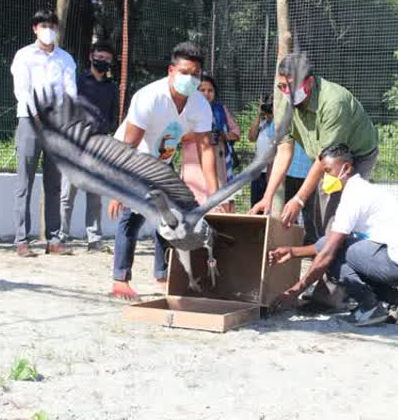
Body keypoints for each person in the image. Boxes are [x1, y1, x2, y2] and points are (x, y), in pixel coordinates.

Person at [108, 42, 221, 300]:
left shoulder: (200, 105)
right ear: (171, 70)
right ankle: (120, 279)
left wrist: (215, 193)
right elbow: (129, 145)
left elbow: (206, 149)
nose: (190, 79)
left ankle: (162, 275)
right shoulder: (149, 97)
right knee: (131, 217)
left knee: (170, 219)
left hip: (162, 161)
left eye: (196, 74)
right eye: (184, 72)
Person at [268, 144, 398, 327]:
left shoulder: (353, 196)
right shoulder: (362, 189)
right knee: (334, 250)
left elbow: (327, 252)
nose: (325, 177)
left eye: (328, 171)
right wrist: (293, 252)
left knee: (332, 258)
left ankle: (369, 307)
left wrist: (294, 291)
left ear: (347, 168)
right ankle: (397, 300)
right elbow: (327, 245)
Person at [249, 52, 379, 242]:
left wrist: (298, 199)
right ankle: (328, 249)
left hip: (358, 154)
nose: (286, 91)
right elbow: (284, 150)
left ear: (309, 83)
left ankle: (338, 258)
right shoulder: (287, 103)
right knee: (321, 213)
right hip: (325, 156)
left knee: (337, 205)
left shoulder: (334, 102)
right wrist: (267, 197)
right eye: (282, 86)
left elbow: (325, 159)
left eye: (291, 86)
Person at [11, 9, 77, 257]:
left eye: (52, 25)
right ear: (34, 28)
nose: (48, 29)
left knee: (54, 183)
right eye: (43, 25)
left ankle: (54, 239)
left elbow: (71, 91)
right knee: (24, 181)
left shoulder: (65, 59)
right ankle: (21, 240)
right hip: (30, 120)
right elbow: (22, 90)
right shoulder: (24, 56)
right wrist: (37, 116)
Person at [59, 42, 118, 252]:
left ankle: (94, 240)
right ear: (92, 56)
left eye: (107, 59)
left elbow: (113, 116)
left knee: (95, 195)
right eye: (99, 57)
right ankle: (61, 237)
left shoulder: (112, 87)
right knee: (68, 193)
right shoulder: (77, 81)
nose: (103, 61)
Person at [248, 92, 317, 244]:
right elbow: (277, 150)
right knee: (285, 214)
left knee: (310, 216)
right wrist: (271, 176)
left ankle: (310, 247)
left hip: (310, 175)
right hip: (288, 174)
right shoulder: (278, 121)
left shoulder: (313, 118)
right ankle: (286, 243)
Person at [180, 73, 240, 210]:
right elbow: (181, 136)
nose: (206, 94)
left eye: (210, 90)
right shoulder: (187, 109)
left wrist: (222, 135)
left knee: (219, 198)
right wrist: (202, 134)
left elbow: (236, 133)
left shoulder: (220, 109)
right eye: (202, 90)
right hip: (194, 162)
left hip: (219, 162)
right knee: (196, 197)